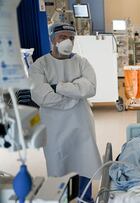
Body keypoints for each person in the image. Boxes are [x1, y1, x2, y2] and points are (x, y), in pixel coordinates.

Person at [29, 23, 101, 202]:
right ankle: (61, 198)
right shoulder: (40, 65)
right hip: (54, 126)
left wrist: (57, 87)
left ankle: (85, 198)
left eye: (71, 37)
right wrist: (74, 94)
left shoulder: (82, 63)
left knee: (85, 160)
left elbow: (90, 88)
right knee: (58, 162)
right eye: (63, 37)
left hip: (80, 122)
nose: (68, 41)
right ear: (52, 39)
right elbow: (42, 96)